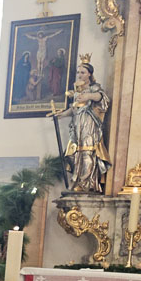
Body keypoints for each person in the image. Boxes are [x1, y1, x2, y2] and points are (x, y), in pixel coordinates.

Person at [58, 62, 110, 193]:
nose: (80, 75)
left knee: (87, 151)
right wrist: (62, 115)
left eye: (83, 72)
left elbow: (101, 97)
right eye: (78, 72)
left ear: (89, 74)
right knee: (73, 153)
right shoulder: (77, 91)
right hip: (77, 124)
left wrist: (89, 96)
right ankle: (77, 180)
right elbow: (74, 108)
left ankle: (86, 184)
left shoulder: (94, 88)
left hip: (89, 124)